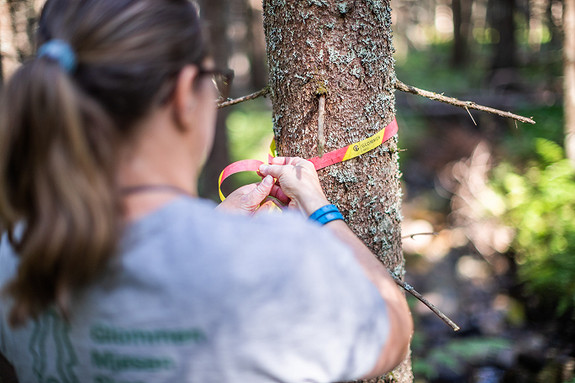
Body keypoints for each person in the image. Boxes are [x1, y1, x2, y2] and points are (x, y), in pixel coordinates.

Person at [0, 0, 412, 382]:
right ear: (183, 93)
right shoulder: (268, 263)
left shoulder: (14, 253)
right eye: (214, 79)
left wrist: (214, 227)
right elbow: (392, 329)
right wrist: (320, 211)